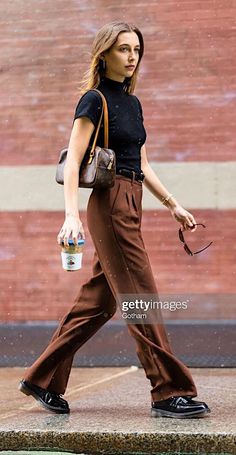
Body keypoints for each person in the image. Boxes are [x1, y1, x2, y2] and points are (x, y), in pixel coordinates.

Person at [18, 21, 211, 419]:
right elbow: (73, 161)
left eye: (136, 50)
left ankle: (42, 378)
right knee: (141, 295)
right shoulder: (93, 101)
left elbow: (141, 162)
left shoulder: (132, 103)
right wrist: (70, 216)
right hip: (109, 204)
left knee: (98, 302)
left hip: (133, 199)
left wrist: (172, 203)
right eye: (123, 49)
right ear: (103, 53)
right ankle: (167, 390)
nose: (131, 57)